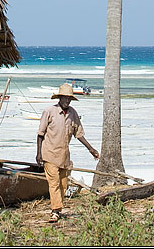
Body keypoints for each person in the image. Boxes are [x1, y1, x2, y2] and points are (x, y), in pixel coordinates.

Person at [36, 82, 99, 222]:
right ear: (59, 98)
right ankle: (55, 211)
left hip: (64, 156)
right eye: (64, 98)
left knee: (63, 184)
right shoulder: (49, 112)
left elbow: (79, 134)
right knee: (53, 183)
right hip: (49, 153)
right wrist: (39, 154)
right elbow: (40, 134)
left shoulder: (72, 113)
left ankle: (57, 208)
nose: (67, 101)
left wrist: (91, 149)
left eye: (69, 98)